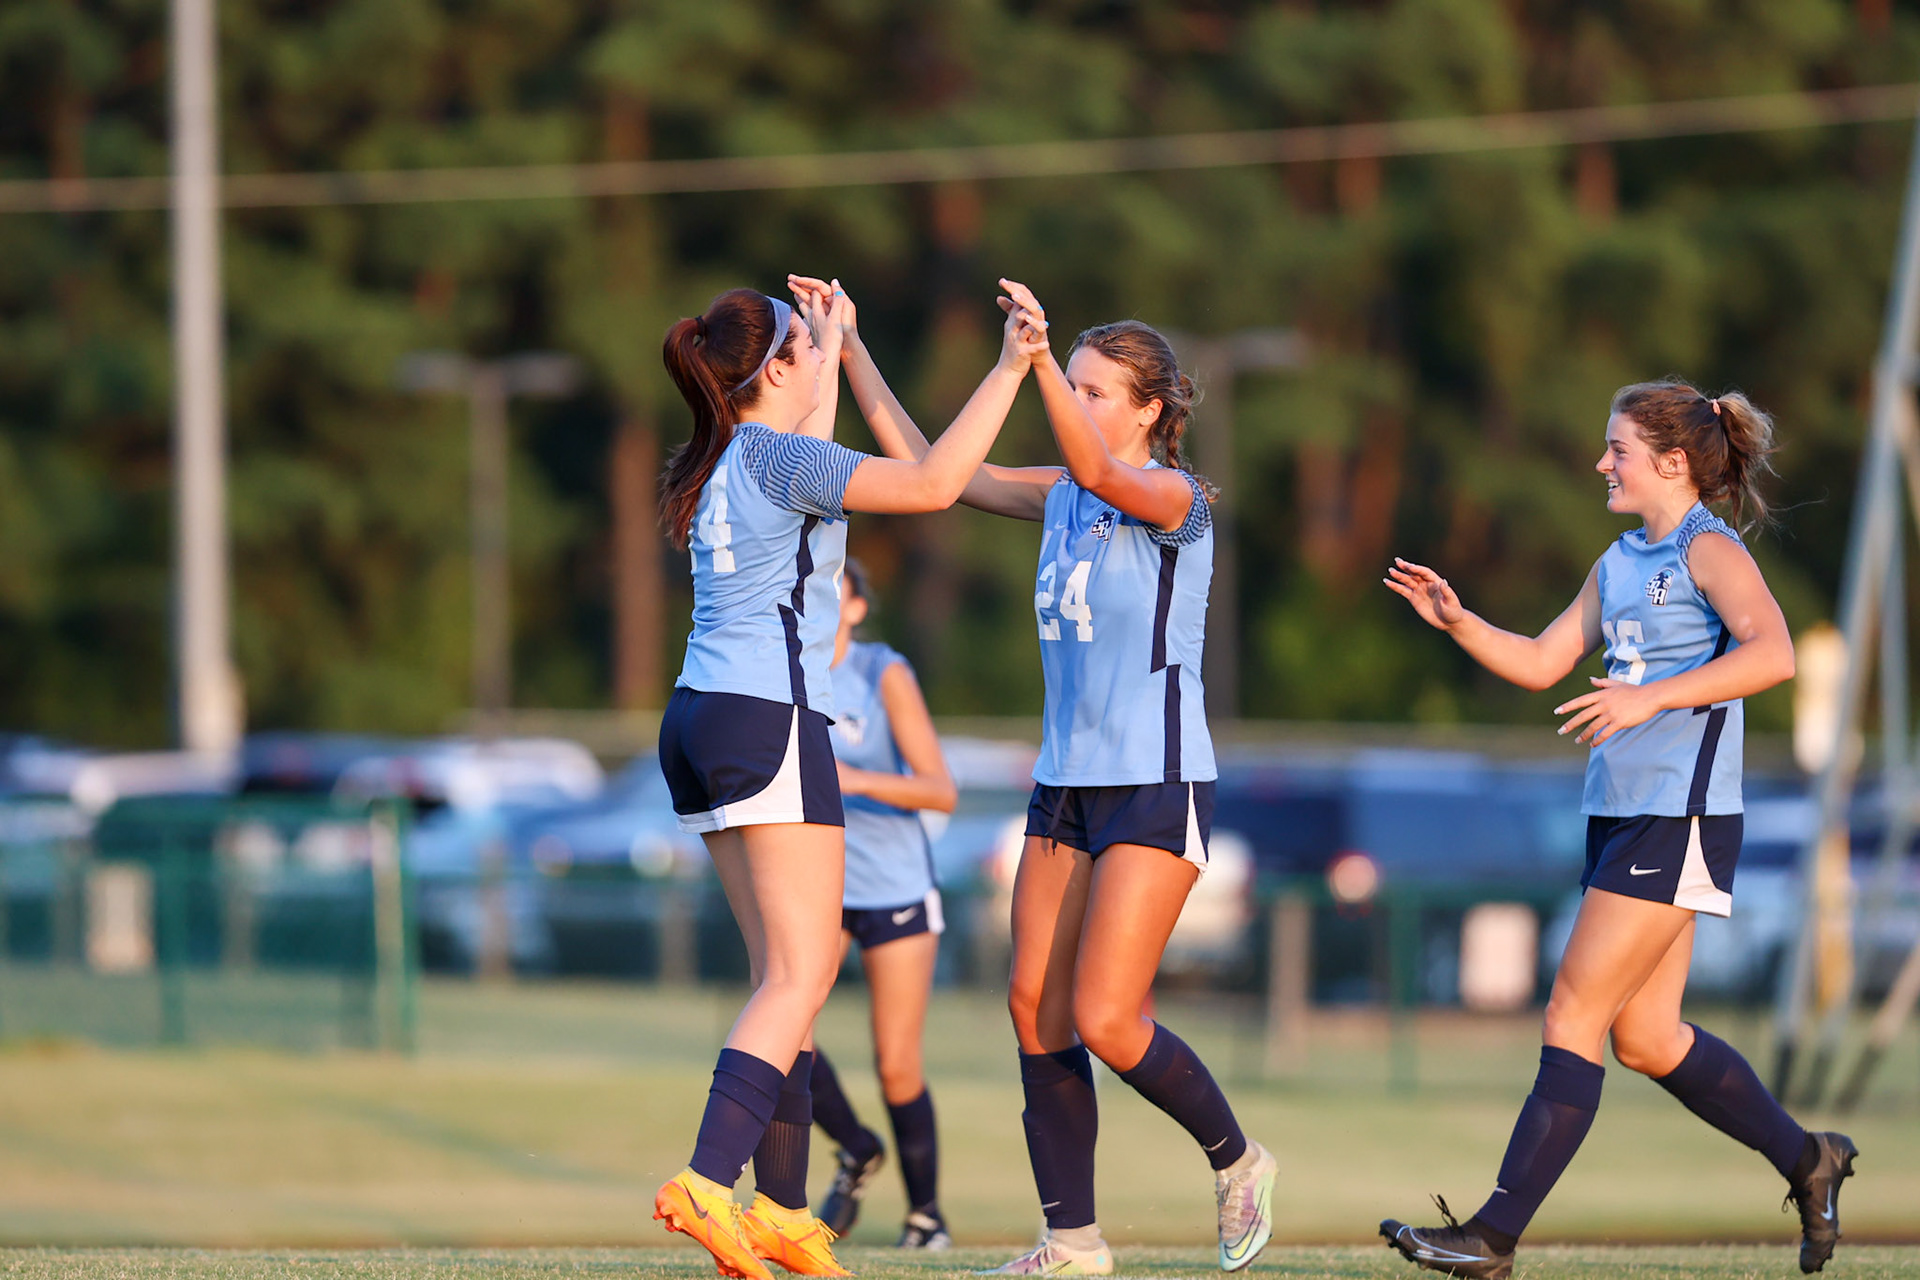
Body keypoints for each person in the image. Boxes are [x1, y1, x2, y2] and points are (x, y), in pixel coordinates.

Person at [800, 272, 1276, 1276]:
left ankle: (1238, 1156)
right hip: (1066, 783)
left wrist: (1039, 361)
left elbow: (1107, 476)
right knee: (1033, 1006)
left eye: (1101, 389)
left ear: (1151, 409)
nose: (1081, 399)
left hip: (1157, 776)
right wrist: (849, 350)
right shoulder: (1061, 492)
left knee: (1108, 1016)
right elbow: (932, 467)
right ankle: (1072, 1240)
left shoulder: (1177, 500)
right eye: (1078, 384)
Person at [1378, 381, 1857, 1280]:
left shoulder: (1708, 550)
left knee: (1573, 1013)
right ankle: (1809, 1160)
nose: (1602, 463)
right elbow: (1541, 662)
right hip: (1620, 813)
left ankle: (1492, 1238)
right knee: (1647, 1038)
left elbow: (1773, 652)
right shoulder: (1619, 561)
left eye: (1619, 450)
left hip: (1679, 815)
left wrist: (1651, 696)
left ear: (1672, 464)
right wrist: (1460, 620)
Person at [652, 279, 1044, 1280]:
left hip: (698, 715)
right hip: (767, 719)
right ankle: (706, 1180)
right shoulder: (778, 458)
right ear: (772, 368)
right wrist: (1007, 368)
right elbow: (931, 484)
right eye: (800, 347)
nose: (812, 353)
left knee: (783, 982)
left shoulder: (724, 456)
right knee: (801, 974)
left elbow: (814, 439)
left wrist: (829, 339)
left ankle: (783, 1211)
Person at [804, 558, 958, 1251]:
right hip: (820, 886)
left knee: (896, 1061)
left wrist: (853, 779)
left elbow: (939, 789)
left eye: (836, 586)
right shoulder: (784, 669)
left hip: (894, 886)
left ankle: (927, 1217)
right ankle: (856, 1146)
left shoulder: (882, 672)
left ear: (857, 606)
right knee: (784, 1034)